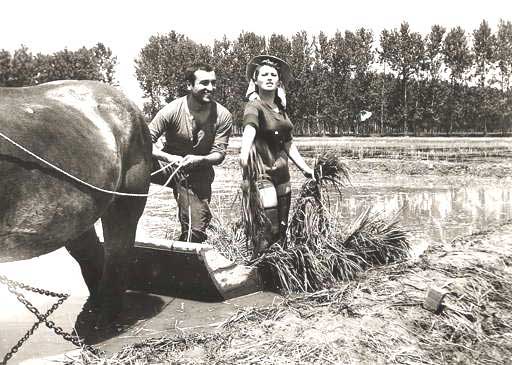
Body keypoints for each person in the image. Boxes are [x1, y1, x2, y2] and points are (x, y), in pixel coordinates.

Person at [239, 55, 314, 255]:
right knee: (268, 228)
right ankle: (260, 267)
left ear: (279, 80)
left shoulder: (280, 109)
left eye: (274, 74)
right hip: (262, 173)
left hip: (282, 174)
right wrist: (243, 154)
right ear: (255, 81)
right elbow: (249, 129)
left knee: (281, 228)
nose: (270, 77)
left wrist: (306, 169)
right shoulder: (254, 107)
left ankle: (278, 272)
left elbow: (288, 143)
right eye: (264, 74)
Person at [149, 62, 232, 243]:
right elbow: (144, 143)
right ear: (189, 85)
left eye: (213, 83)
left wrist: (199, 160)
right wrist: (168, 157)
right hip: (168, 165)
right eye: (204, 83)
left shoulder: (223, 115)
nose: (210, 88)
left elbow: (219, 154)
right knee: (131, 166)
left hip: (199, 171)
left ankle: (182, 255)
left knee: (195, 233)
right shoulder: (171, 110)